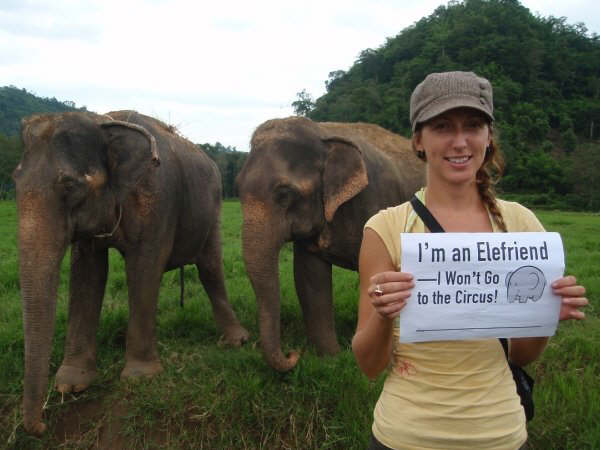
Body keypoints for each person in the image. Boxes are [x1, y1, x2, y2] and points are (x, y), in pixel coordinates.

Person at [351, 71, 589, 450]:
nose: (460, 141)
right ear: (418, 140)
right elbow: (369, 364)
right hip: (404, 436)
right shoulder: (385, 228)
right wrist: (383, 314)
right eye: (442, 126)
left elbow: (522, 355)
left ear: (488, 136)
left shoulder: (521, 224)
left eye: (473, 126)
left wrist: (543, 316)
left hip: (501, 434)